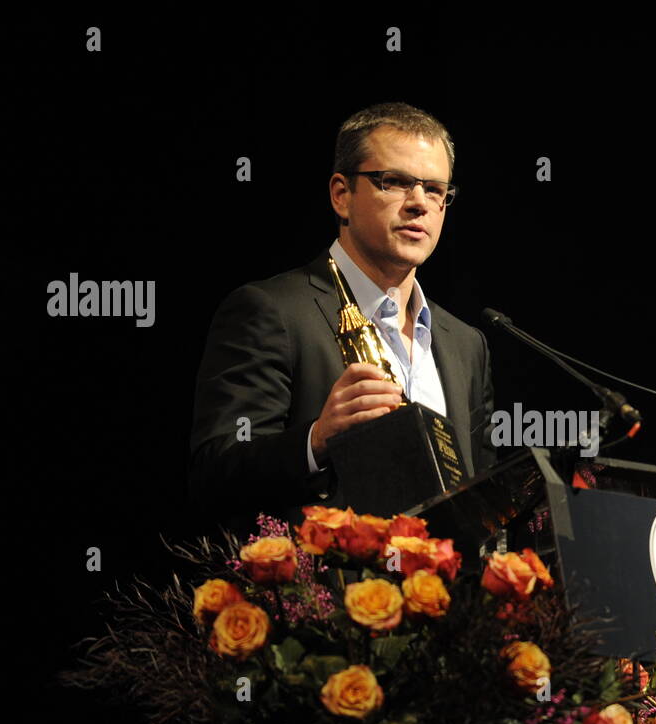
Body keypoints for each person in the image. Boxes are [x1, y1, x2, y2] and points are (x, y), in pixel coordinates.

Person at [188, 103, 496, 535]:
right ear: (341, 195)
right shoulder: (270, 311)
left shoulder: (466, 343)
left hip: (444, 598)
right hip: (327, 597)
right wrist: (315, 440)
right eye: (396, 182)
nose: (419, 204)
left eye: (435, 189)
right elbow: (213, 474)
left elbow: (480, 500)